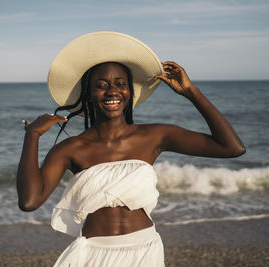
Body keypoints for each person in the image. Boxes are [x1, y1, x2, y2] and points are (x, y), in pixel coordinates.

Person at [16, 32, 245, 267]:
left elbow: (231, 147)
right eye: (101, 85)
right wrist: (32, 136)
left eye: (120, 84)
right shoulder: (72, 148)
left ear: (130, 92)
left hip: (144, 251)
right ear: (89, 94)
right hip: (93, 254)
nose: (112, 91)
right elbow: (29, 201)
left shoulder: (154, 136)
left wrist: (190, 92)